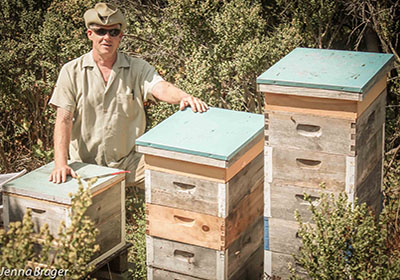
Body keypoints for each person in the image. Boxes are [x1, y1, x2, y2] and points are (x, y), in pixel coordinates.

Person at [48, 3, 208, 186]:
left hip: (130, 163)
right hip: (85, 167)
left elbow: (160, 87)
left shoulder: (137, 68)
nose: (107, 37)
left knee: (177, 182)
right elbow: (63, 119)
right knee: (89, 213)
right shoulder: (71, 71)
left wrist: (184, 97)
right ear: (90, 34)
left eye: (113, 32)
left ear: (120, 36)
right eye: (101, 31)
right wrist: (60, 164)